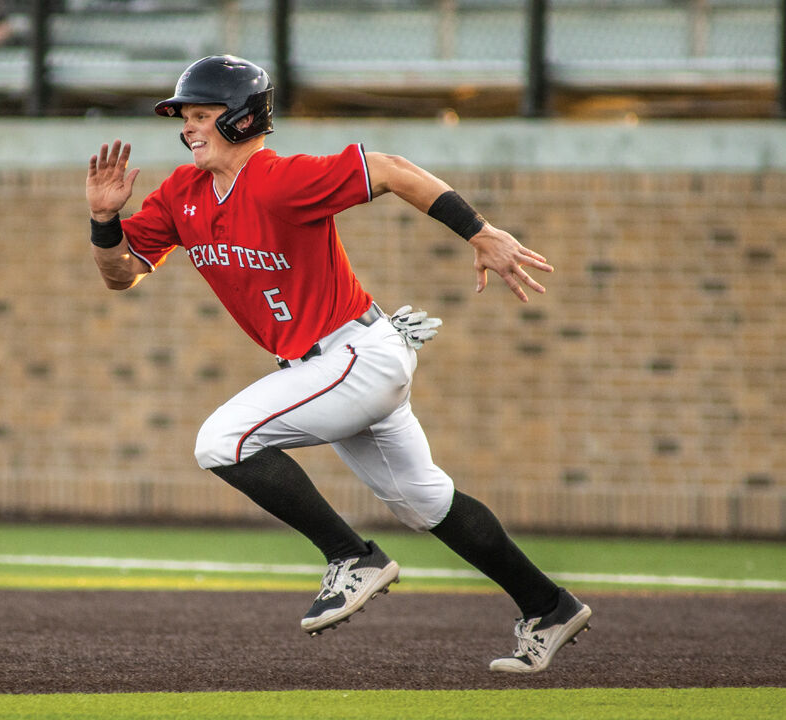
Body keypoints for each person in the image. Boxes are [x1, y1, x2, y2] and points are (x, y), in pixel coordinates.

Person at [85, 55, 591, 673]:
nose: (188, 128)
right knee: (424, 503)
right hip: (331, 366)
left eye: (201, 115)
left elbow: (391, 169)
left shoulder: (279, 179)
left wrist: (478, 231)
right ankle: (548, 605)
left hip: (354, 356)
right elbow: (122, 276)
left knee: (221, 441)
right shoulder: (181, 194)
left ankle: (353, 558)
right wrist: (105, 221)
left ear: (243, 121)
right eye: (184, 117)